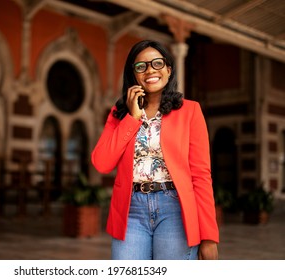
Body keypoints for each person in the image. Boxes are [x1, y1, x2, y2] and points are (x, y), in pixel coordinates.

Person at [91, 39, 219, 260]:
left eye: (157, 63)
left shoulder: (190, 111)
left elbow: (201, 176)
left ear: (169, 69)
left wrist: (209, 237)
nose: (150, 70)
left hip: (175, 209)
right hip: (131, 211)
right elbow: (102, 163)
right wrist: (132, 117)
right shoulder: (119, 113)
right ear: (134, 75)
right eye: (141, 66)